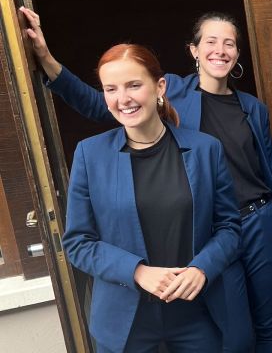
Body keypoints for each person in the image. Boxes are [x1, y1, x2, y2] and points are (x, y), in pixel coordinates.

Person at [21, 7, 272, 352]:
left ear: (238, 54)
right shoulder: (171, 91)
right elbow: (103, 103)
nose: (220, 50)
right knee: (235, 330)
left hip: (254, 220)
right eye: (211, 41)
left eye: (229, 44)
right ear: (194, 50)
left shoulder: (251, 107)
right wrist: (46, 59)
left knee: (270, 320)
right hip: (205, 228)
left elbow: (269, 172)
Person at [61, 44, 240, 352]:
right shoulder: (90, 155)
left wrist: (203, 268)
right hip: (125, 325)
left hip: (197, 317)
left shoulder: (205, 149)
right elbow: (78, 243)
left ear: (160, 86)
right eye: (110, 89)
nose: (123, 99)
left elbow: (229, 228)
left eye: (133, 85)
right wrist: (138, 272)